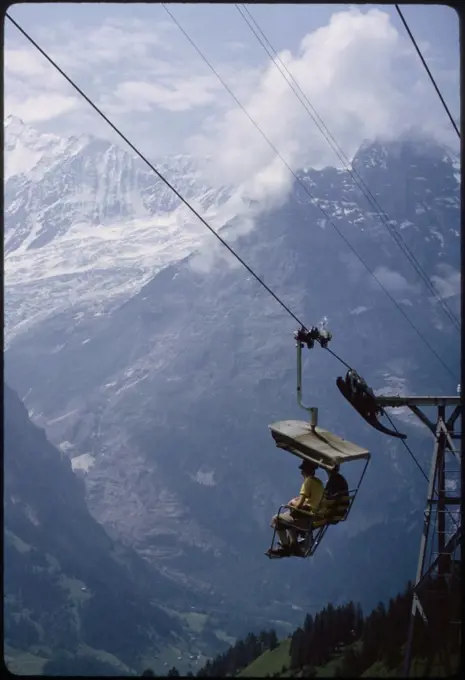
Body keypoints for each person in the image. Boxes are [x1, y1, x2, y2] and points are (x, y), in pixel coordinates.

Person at [268, 460, 324, 557]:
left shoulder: (308, 482)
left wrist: (292, 502)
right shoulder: (319, 483)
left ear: (304, 471)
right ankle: (293, 544)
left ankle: (285, 548)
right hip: (312, 517)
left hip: (304, 518)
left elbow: (299, 504)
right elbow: (313, 499)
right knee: (287, 516)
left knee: (276, 519)